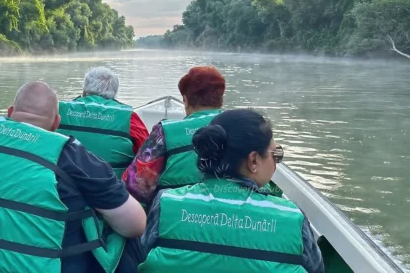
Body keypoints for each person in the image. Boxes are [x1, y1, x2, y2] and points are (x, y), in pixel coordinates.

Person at [0, 81, 147, 273]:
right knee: (126, 238)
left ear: (10, 112)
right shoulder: (69, 153)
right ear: (56, 123)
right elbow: (135, 224)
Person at [137, 109, 325, 273]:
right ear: (253, 161)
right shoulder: (292, 217)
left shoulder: (166, 202)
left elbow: (142, 254)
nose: (276, 162)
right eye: (276, 155)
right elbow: (317, 269)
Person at [123, 66, 225, 206]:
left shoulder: (165, 131)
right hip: (229, 215)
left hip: (177, 215)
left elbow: (137, 186)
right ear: (221, 99)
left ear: (185, 100)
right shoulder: (243, 127)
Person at [57, 67, 148, 177]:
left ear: (84, 90)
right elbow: (148, 155)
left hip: (65, 185)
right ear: (114, 93)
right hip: (113, 187)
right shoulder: (129, 117)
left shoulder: (61, 110)